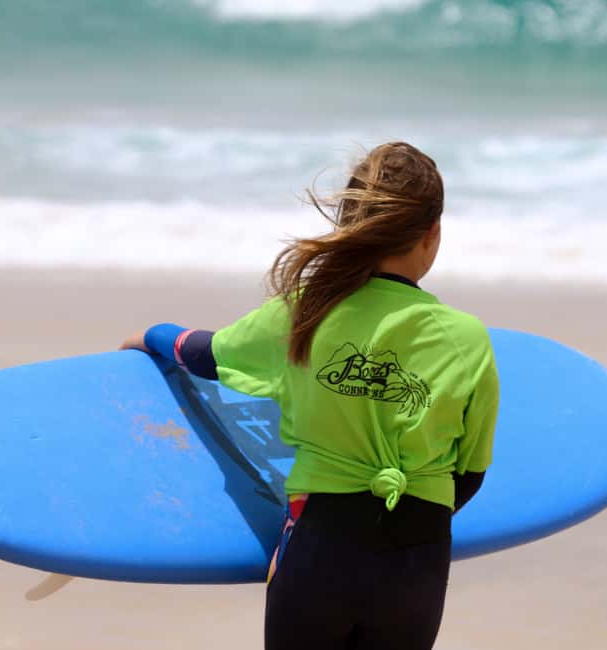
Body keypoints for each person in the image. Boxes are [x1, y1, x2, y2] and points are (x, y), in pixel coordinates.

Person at [119, 142, 499, 650]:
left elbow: (208, 355)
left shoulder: (307, 311)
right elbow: (469, 474)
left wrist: (153, 335)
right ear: (433, 233)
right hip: (417, 562)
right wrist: (399, 531)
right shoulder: (467, 340)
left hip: (320, 549)